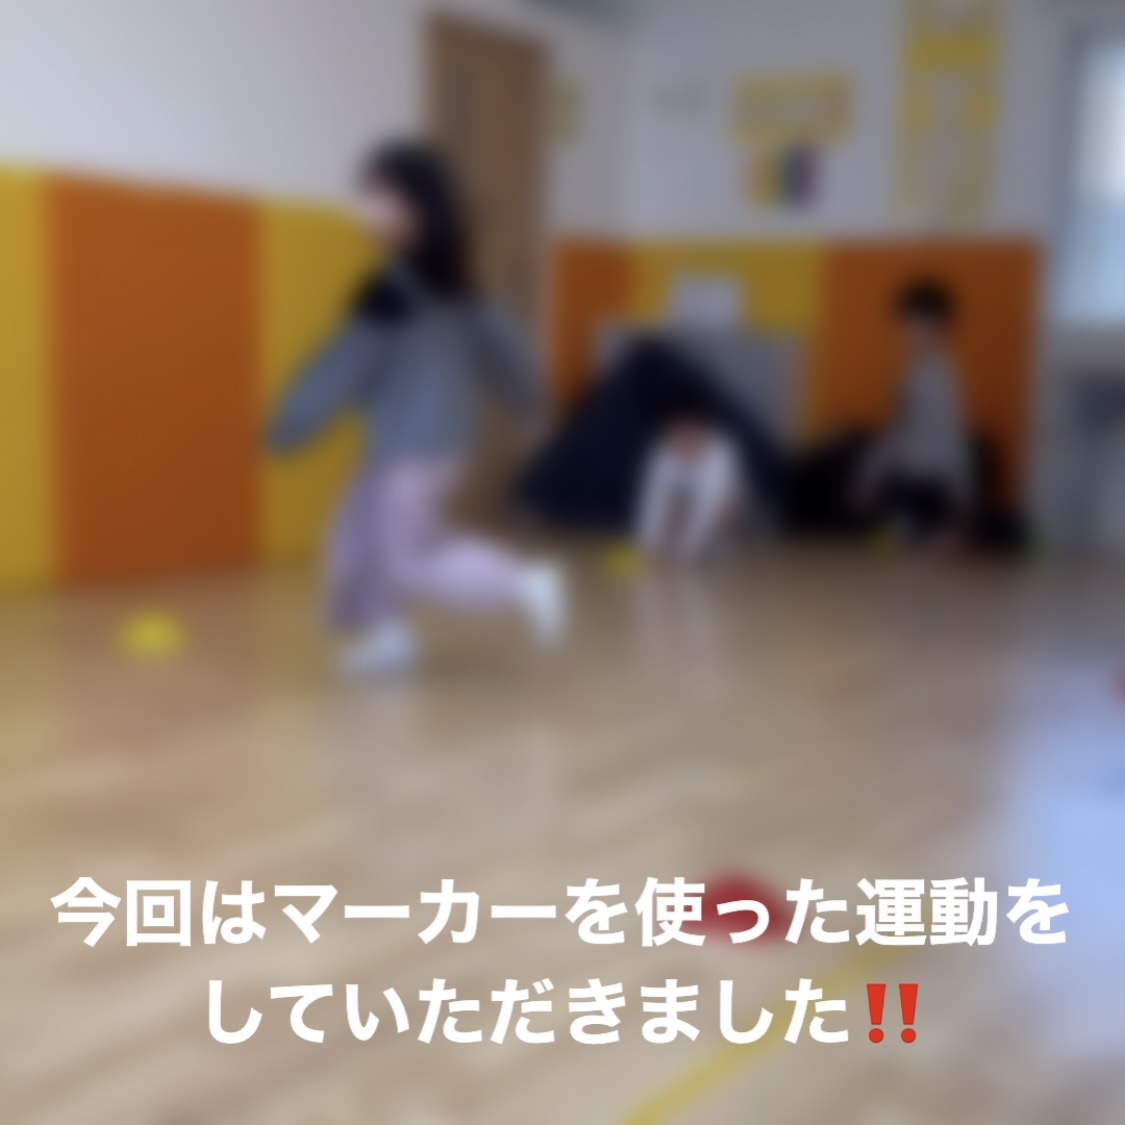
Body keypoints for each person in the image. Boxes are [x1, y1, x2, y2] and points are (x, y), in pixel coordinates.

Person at [266, 140, 566, 676]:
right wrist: (529, 398)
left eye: (381, 199)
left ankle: (525, 583)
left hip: (413, 453)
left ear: (419, 209)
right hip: (414, 448)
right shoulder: (454, 291)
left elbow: (341, 366)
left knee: (408, 558)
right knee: (356, 537)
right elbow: (508, 351)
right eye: (366, 198)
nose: (367, 212)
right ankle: (390, 637)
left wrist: (290, 424)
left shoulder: (392, 295)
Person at [856, 279, 972, 549]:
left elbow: (951, 437)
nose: (907, 334)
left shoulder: (941, 376)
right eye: (905, 326)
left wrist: (961, 490)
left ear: (938, 328)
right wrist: (870, 474)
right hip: (908, 478)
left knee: (914, 535)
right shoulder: (911, 376)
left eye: (915, 326)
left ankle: (939, 532)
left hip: (929, 483)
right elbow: (895, 432)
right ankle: (922, 530)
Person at [635, 398, 746, 566]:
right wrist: (647, 549)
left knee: (727, 508)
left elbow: (707, 512)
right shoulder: (662, 454)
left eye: (689, 435)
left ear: (703, 433)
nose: (682, 443)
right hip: (684, 510)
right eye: (675, 436)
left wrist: (683, 554)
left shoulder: (720, 455)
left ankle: (719, 551)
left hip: (722, 516)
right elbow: (651, 504)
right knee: (670, 511)